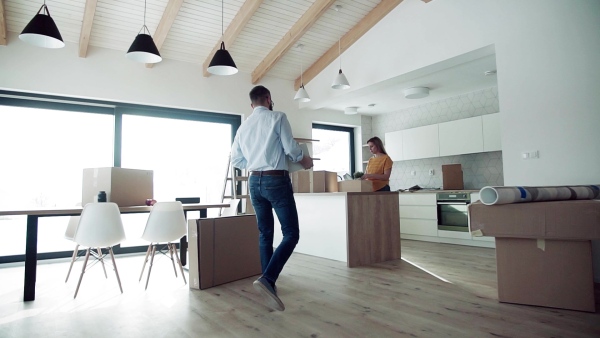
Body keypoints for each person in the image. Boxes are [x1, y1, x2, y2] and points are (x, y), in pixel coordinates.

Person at [230, 85, 313, 311]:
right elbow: (291, 149)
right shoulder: (278, 117)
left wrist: (256, 166)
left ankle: (269, 282)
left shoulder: (243, 127)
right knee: (291, 233)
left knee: (265, 233)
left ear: (251, 104)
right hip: (275, 180)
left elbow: (236, 160)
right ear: (268, 99)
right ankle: (268, 279)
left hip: (253, 182)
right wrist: (304, 160)